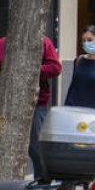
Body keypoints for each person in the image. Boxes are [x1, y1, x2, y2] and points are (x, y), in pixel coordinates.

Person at [0, 33, 63, 181]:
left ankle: (43, 184)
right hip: (9, 104)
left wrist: (31, 70)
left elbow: (55, 67)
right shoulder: (3, 43)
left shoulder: (43, 42)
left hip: (36, 104)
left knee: (36, 149)